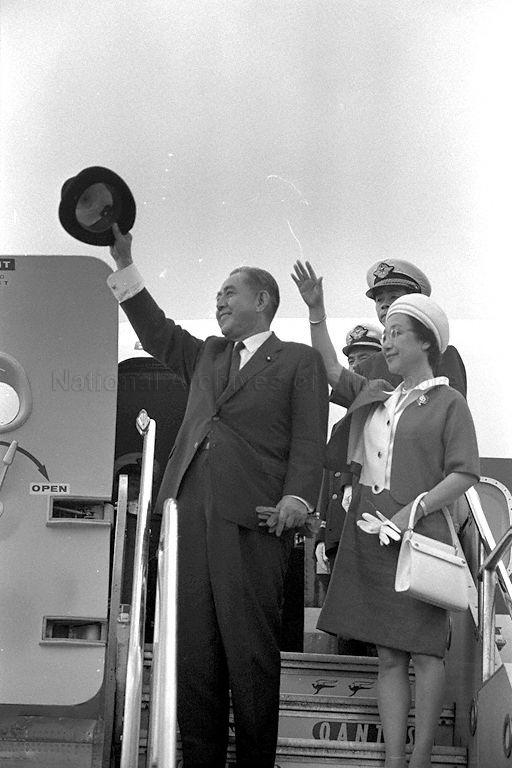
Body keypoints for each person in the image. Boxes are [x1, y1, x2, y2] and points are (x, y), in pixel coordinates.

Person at [106, 224, 328, 768]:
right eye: (218, 294)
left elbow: (308, 438)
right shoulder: (205, 354)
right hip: (187, 519)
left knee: (250, 654)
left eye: (230, 292)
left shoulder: (299, 361)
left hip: (254, 521)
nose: (220, 300)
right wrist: (126, 262)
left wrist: (297, 499)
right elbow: (156, 331)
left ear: (263, 301)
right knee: (193, 653)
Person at [315, 293, 480, 768]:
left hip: (421, 536)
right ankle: (393, 759)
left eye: (396, 333)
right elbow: (330, 368)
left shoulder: (449, 402)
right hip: (371, 536)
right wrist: (316, 311)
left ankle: (421, 759)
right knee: (388, 656)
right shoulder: (376, 395)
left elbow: (464, 472)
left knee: (426, 655)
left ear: (426, 341)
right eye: (384, 333)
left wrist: (416, 508)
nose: (386, 341)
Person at [291, 258, 467, 399]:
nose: (385, 304)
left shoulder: (443, 355)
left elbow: (453, 418)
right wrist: (316, 310)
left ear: (415, 302)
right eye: (379, 299)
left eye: (394, 296)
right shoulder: (367, 368)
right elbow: (331, 368)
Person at [315, 323, 382, 655]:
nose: (357, 366)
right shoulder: (344, 423)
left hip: (364, 525)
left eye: (365, 358)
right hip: (338, 533)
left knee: (364, 622)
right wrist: (320, 536)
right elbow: (330, 483)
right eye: (353, 359)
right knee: (342, 621)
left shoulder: (380, 414)